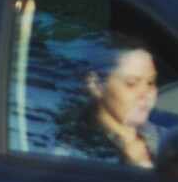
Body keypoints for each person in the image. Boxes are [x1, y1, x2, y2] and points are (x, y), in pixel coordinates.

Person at [53, 33, 161, 167]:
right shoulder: (77, 152)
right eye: (131, 83)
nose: (147, 93)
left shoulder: (165, 137)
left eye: (151, 82)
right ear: (95, 84)